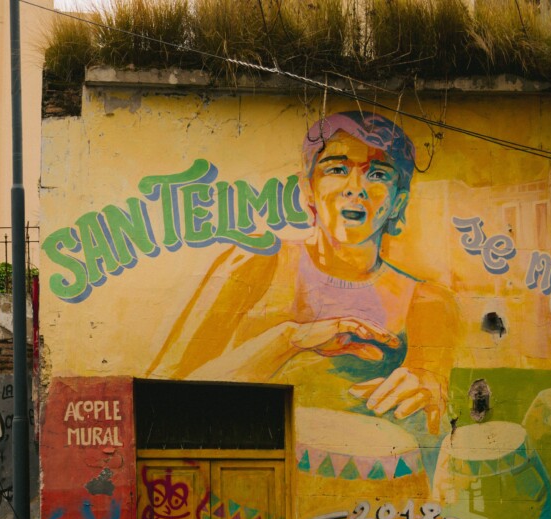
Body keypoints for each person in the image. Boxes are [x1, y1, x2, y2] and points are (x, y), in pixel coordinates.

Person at [148, 111, 457, 435]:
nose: (356, 188)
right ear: (308, 189)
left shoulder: (426, 300)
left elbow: (432, 391)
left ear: (398, 202)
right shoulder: (257, 261)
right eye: (337, 169)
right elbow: (162, 398)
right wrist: (289, 339)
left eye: (377, 174)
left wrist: (429, 383)